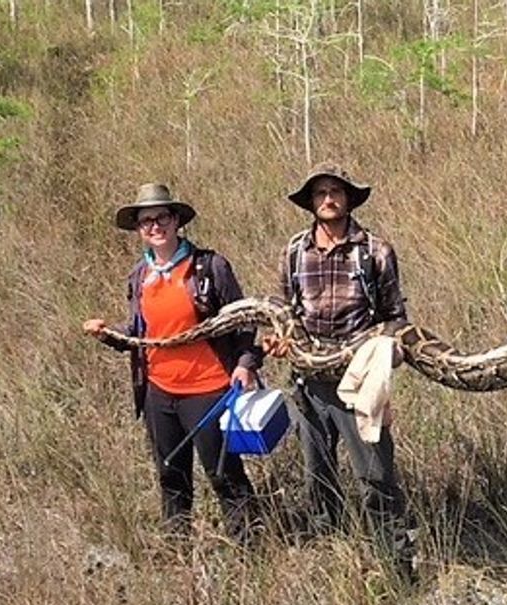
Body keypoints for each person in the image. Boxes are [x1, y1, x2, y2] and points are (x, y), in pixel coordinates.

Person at [83, 183, 262, 543]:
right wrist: (108, 334)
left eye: (161, 217)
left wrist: (245, 363)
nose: (154, 226)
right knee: (170, 474)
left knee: (222, 472)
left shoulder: (209, 267)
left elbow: (245, 320)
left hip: (209, 389)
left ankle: (252, 549)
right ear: (138, 229)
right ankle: (177, 549)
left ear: (176, 220)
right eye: (146, 220)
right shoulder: (140, 276)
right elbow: (141, 333)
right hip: (159, 392)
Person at [272, 162, 416, 579]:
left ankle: (395, 560)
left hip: (360, 381)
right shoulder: (295, 250)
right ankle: (329, 556)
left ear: (349, 198)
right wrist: (279, 340)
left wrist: (383, 351)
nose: (328, 199)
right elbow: (285, 311)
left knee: (375, 473)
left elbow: (395, 317)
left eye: (336, 191)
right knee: (317, 475)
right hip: (308, 380)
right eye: (320, 193)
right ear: (311, 203)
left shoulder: (375, 250)